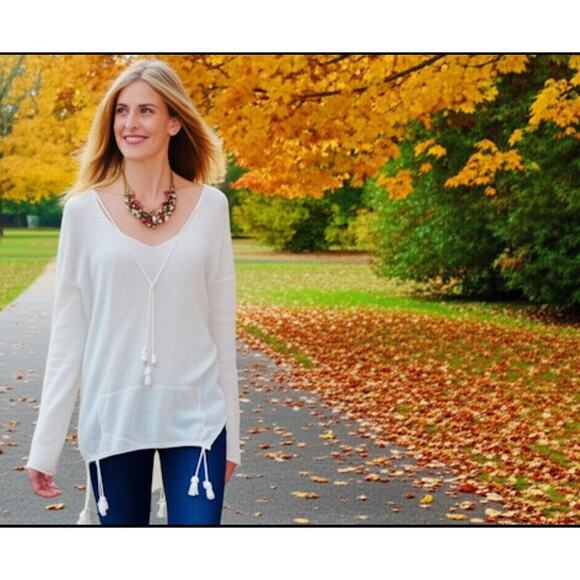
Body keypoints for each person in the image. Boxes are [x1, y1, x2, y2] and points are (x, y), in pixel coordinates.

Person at [24, 58, 241, 525]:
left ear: (174, 121)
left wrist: (234, 442)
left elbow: (222, 329)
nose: (130, 123)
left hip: (197, 418)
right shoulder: (82, 212)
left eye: (146, 110)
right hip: (114, 416)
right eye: (121, 111)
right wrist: (45, 445)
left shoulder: (211, 207)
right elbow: (68, 335)